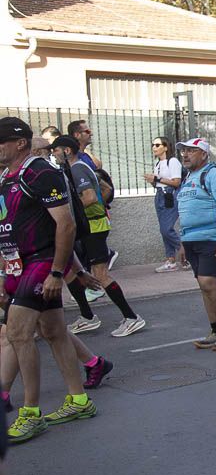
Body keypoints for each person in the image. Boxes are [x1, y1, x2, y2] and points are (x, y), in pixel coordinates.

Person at [1, 118, 104, 445]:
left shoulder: (40, 173)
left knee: (18, 332)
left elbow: (65, 224)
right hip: (18, 265)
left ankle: (30, 413)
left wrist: (60, 272)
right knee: (54, 331)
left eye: (1, 141)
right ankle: (78, 400)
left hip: (40, 262)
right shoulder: (7, 177)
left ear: (20, 143)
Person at [49, 137, 145, 338]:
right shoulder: (79, 167)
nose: (53, 154)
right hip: (92, 225)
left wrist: (69, 212)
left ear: (66, 150)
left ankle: (131, 317)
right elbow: (106, 188)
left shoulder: (77, 169)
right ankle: (87, 316)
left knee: (100, 274)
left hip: (94, 227)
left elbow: (91, 197)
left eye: (55, 150)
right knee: (74, 269)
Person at [176, 137, 216, 350]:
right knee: (203, 286)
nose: (185, 154)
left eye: (191, 151)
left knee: (208, 282)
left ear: (204, 154)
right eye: (183, 151)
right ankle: (215, 329)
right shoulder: (188, 177)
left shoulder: (214, 175)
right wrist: (183, 244)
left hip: (212, 238)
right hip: (192, 239)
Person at [145, 136, 186, 272]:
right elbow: (158, 182)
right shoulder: (157, 164)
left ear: (166, 147)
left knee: (166, 229)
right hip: (159, 195)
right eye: (153, 145)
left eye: (157, 145)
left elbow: (176, 182)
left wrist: (156, 178)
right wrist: (152, 180)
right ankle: (171, 260)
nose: (154, 148)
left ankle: (183, 250)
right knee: (163, 229)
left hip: (170, 195)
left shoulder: (173, 162)